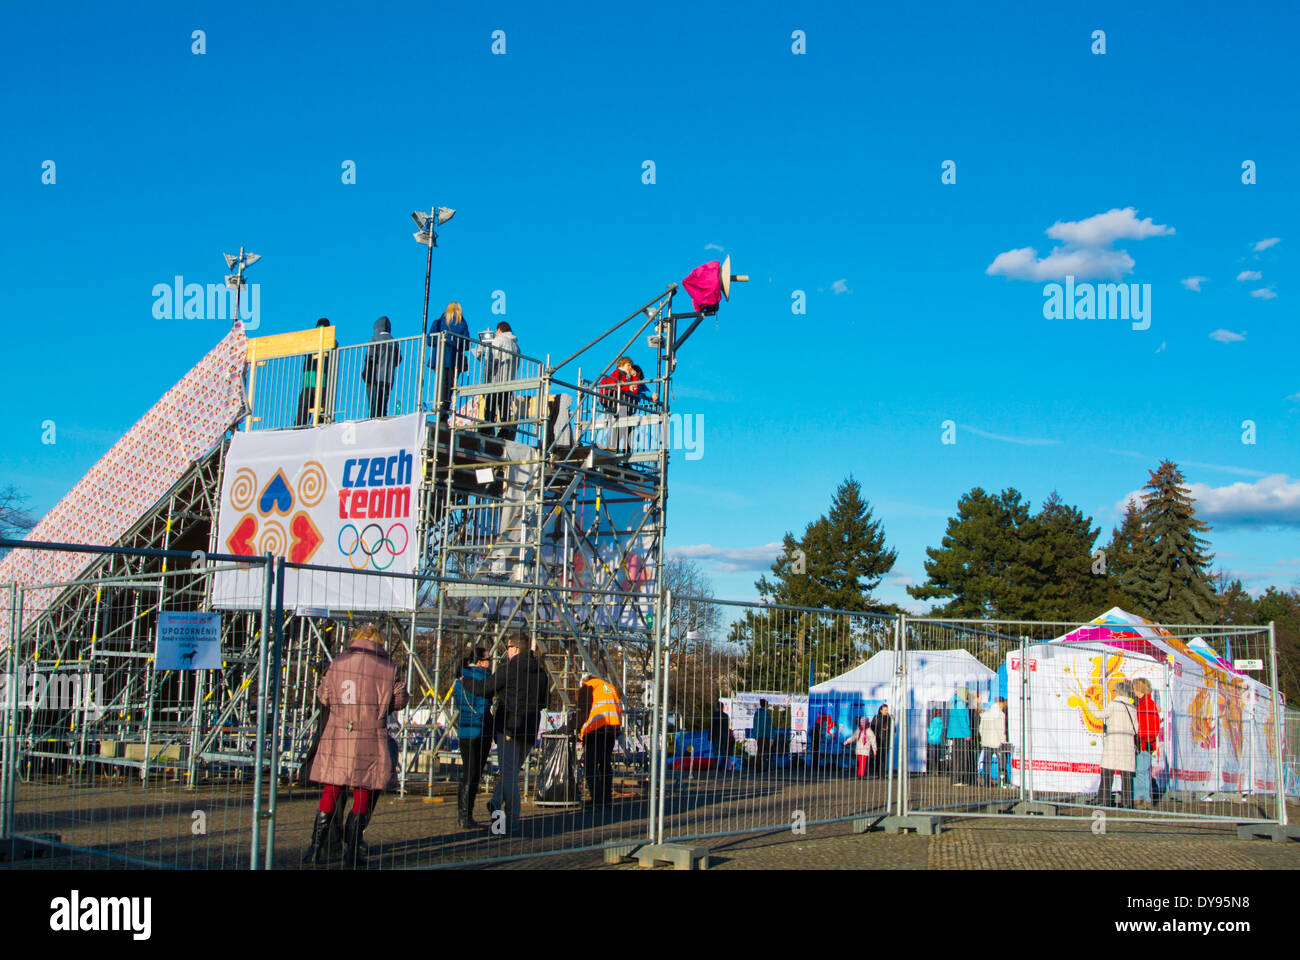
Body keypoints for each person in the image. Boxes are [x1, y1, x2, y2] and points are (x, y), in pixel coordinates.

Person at [304, 624, 409, 867]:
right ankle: (351, 852)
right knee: (364, 791)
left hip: (339, 733)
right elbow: (399, 701)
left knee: (331, 790)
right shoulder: (388, 668)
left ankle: (315, 849)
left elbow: (324, 696)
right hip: (370, 735)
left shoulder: (338, 663)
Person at [460, 633, 551, 835]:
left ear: (515, 649)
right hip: (529, 731)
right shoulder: (542, 673)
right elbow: (545, 702)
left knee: (509, 777)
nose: (506, 651)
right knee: (510, 775)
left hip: (508, 728)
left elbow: (485, 689)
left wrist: (464, 680)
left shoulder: (509, 669)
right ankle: (494, 806)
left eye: (508, 647)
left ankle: (512, 823)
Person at [452, 646, 493, 828]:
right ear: (479, 662)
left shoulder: (461, 679)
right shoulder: (484, 677)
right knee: (475, 773)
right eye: (487, 659)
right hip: (480, 729)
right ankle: (466, 815)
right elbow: (485, 704)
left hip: (464, 729)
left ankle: (462, 814)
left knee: (467, 771)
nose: (490, 662)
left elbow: (458, 702)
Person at [576, 672, 623, 807]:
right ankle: (606, 798)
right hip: (612, 729)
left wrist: (574, 727)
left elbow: (582, 711)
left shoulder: (588, 686)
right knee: (605, 764)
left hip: (596, 729)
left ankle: (596, 799)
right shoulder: (609, 686)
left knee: (590, 765)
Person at [1094, 681, 1138, 808]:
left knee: (1107, 774)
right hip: (1127, 745)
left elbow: (1098, 714)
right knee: (1127, 777)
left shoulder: (1114, 705)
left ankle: (1104, 800)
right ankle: (1127, 803)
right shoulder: (1132, 707)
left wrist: (1090, 703)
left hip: (1113, 743)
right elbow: (1136, 729)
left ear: (1117, 692)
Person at [473, 321, 520, 440]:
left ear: (499, 330)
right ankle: (504, 431)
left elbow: (492, 359)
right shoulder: (516, 346)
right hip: (509, 380)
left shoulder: (499, 340)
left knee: (491, 406)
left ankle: (488, 429)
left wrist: (487, 373)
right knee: (504, 407)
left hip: (497, 379)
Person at [429, 301, 470, 420]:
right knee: (449, 386)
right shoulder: (462, 323)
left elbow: (430, 341)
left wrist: (443, 340)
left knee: (441, 384)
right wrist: (454, 342)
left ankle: (440, 410)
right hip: (454, 359)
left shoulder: (438, 322)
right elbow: (466, 344)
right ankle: (444, 411)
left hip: (439, 358)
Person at [361, 316, 400, 419]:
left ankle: (372, 423)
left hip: (375, 377)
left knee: (373, 405)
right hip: (388, 378)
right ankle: (383, 421)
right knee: (383, 405)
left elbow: (371, 357)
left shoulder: (375, 339)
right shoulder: (394, 342)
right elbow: (398, 359)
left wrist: (365, 374)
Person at [296, 318, 333, 426]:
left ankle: (299, 426)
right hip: (323, 380)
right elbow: (335, 345)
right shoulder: (329, 339)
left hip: (308, 380)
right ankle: (320, 425)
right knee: (322, 408)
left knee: (304, 407)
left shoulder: (310, 340)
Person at [1133, 678, 1161, 809]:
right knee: (1140, 772)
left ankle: (1144, 800)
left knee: (1141, 772)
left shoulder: (1147, 705)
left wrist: (1142, 737)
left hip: (1144, 743)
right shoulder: (1144, 704)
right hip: (1143, 742)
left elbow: (1153, 727)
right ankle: (1140, 799)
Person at [979, 697, 1009, 787]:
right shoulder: (1000, 714)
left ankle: (987, 782)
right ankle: (1002, 781)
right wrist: (1003, 740)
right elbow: (1000, 729)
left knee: (987, 763)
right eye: (1003, 704)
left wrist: (983, 737)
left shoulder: (986, 713)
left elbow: (981, 728)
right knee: (1002, 762)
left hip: (986, 741)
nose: (1003, 706)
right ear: (1000, 703)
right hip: (997, 742)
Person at [946, 688, 972, 786]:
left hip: (954, 732)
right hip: (961, 733)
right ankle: (960, 779)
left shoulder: (954, 703)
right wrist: (967, 733)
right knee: (962, 757)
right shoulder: (961, 703)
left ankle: (955, 779)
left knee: (955, 756)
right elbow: (962, 720)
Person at [709, 701, 732, 776]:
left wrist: (710, 735)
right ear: (723, 707)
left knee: (716, 752)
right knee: (723, 752)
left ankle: (715, 767)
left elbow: (711, 726)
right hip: (724, 736)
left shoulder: (715, 715)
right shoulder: (726, 716)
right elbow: (727, 728)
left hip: (716, 735)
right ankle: (723, 767)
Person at [751, 699, 774, 771]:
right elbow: (769, 726)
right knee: (765, 751)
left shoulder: (757, 713)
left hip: (758, 735)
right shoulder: (767, 714)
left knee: (759, 751)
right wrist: (771, 736)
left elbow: (755, 725)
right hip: (765, 735)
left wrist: (755, 734)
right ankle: (762, 766)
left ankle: (757, 766)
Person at [870, 704, 892, 779]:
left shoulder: (889, 718)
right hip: (877, 740)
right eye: (885, 710)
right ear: (881, 710)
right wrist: (879, 728)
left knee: (883, 758)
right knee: (878, 758)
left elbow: (894, 729)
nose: (886, 711)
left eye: (887, 710)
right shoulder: (876, 718)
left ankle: (882, 774)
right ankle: (878, 774)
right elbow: (872, 728)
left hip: (886, 740)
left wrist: (888, 728)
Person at [926, 709, 945, 775]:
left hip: (932, 740)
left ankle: (932, 770)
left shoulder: (933, 722)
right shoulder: (941, 722)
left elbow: (931, 732)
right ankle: (937, 770)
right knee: (937, 756)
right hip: (938, 740)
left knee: (932, 756)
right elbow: (942, 729)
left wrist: (927, 729)